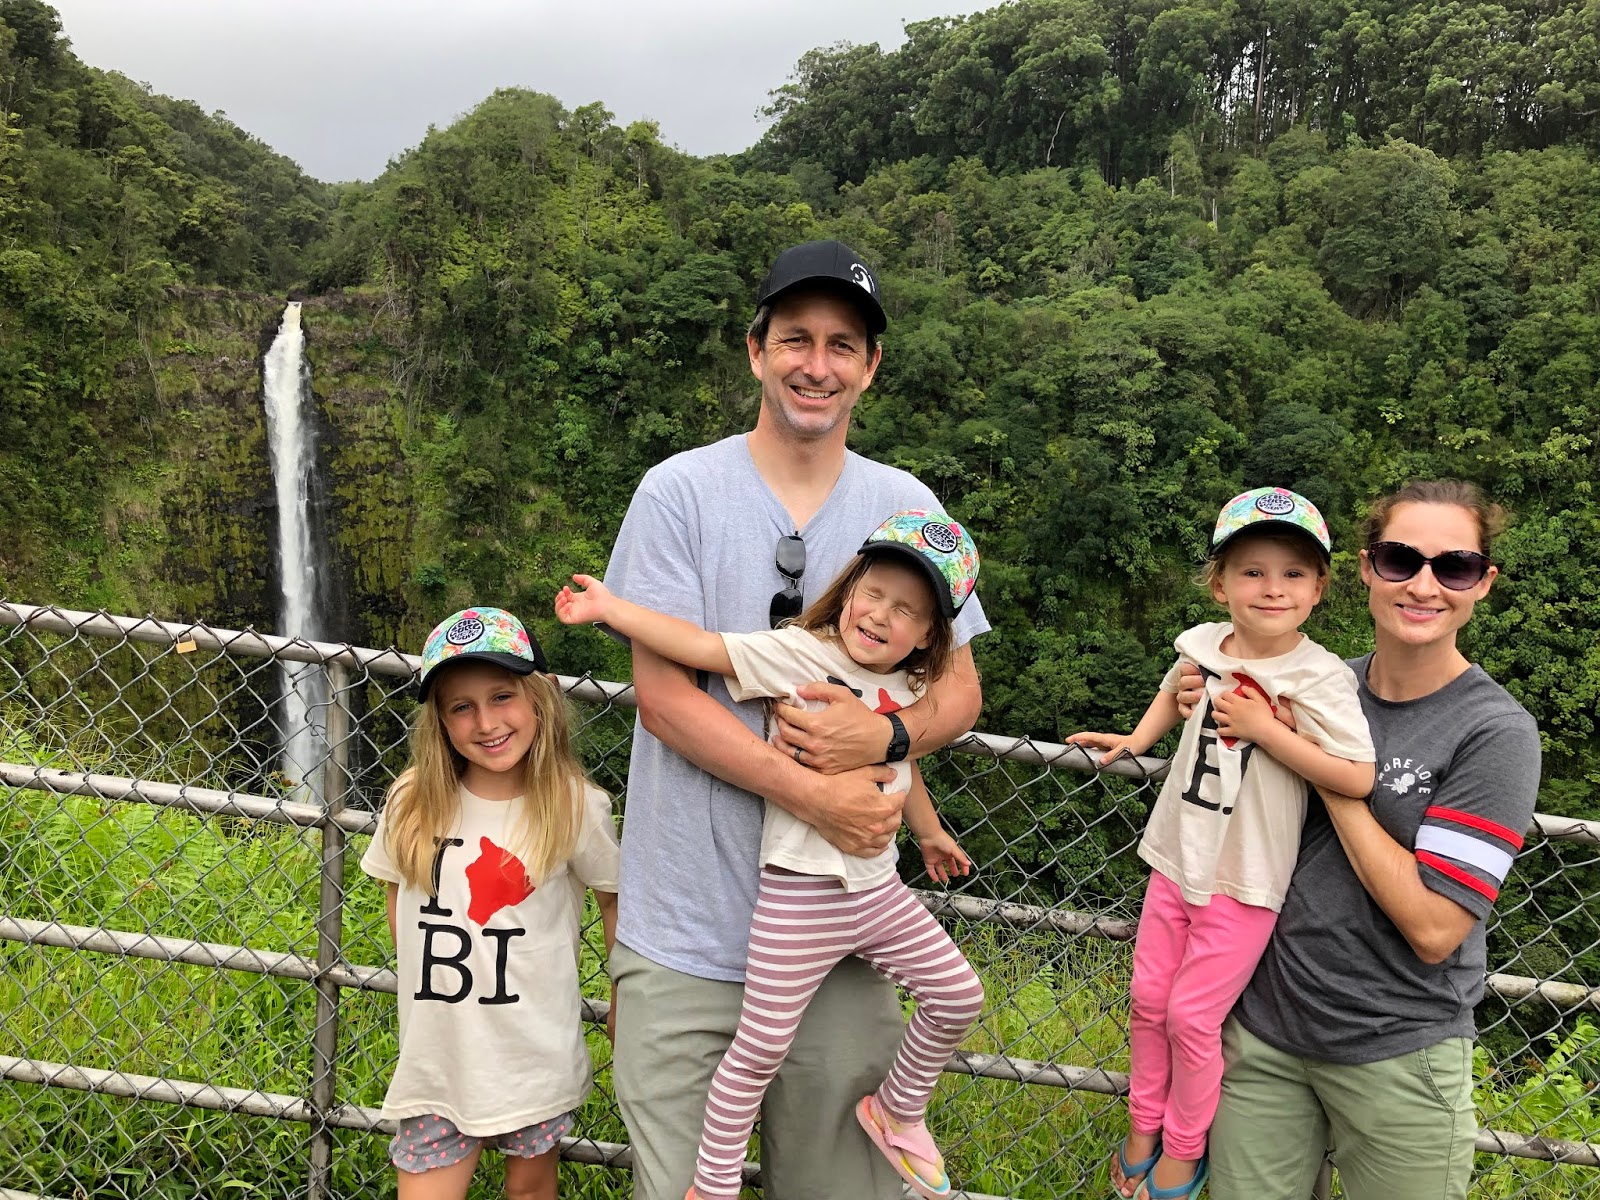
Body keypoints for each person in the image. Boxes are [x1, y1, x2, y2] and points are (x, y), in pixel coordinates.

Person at [601, 239, 990, 1200]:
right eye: (796, 339)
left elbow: (959, 692)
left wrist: (883, 737)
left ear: (871, 366)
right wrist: (817, 794)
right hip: (685, 930)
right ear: (756, 350)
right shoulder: (678, 492)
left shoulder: (906, 506)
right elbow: (666, 699)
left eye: (842, 344)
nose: (818, 365)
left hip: (846, 937)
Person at [557, 508, 985, 1200]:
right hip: (801, 896)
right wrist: (614, 609)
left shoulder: (910, 690)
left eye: (906, 611)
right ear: (849, 589)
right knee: (759, 1049)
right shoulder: (801, 654)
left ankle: (897, 1110)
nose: (880, 616)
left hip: (878, 893)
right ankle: (713, 1184)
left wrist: (930, 832)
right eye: (873, 593)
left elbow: (903, 766)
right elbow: (702, 649)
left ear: (932, 635)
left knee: (959, 994)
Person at [1195, 481, 1541, 1200]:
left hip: (1399, 1050)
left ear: (1483, 582)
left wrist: (1322, 766)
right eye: (1400, 559)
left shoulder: (1494, 732)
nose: (1424, 585)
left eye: (1454, 567)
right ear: (1365, 569)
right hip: (1264, 1031)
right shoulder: (1313, 683)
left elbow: (1435, 928)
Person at [1067, 487, 1377, 1200]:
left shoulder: (1319, 676)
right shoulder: (1203, 643)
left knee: (1191, 1017)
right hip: (1176, 855)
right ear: (1220, 584)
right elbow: (1176, 683)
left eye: (1293, 573)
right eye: (1252, 571)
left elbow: (1358, 776)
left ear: (1319, 589)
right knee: (1148, 1001)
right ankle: (1142, 1126)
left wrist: (1268, 730)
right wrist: (1139, 739)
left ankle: (1184, 1148)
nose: (1272, 588)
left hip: (1248, 877)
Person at [360, 607, 620, 1200]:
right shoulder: (412, 799)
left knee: (529, 1189)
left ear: (539, 698)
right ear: (439, 720)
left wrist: (621, 999)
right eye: (461, 706)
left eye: (502, 696)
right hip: (439, 1057)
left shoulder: (576, 805)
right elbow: (396, 890)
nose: (486, 722)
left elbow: (613, 900)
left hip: (532, 1052)